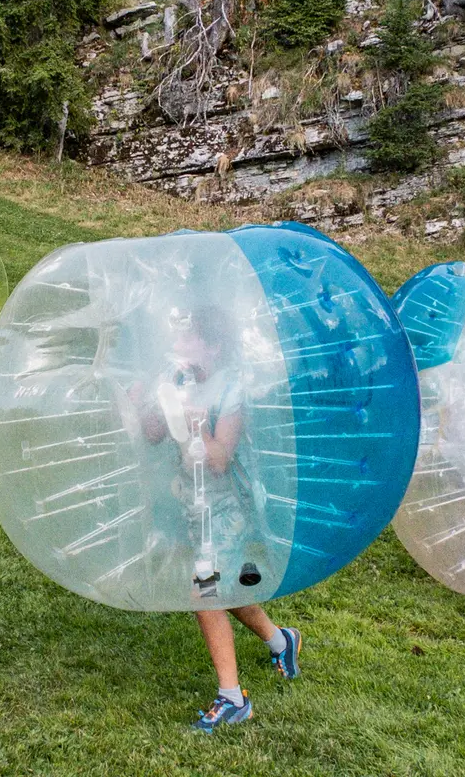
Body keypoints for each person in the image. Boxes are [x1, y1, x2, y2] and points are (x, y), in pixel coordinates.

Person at [131, 306, 303, 732]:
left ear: (213, 346)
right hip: (196, 505)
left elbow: (220, 459)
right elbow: (154, 435)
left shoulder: (232, 389)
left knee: (203, 593)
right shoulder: (177, 380)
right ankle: (283, 641)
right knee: (224, 589)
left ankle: (233, 698)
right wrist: (146, 406)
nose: (177, 345)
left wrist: (196, 423)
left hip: (230, 507)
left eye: (187, 338)